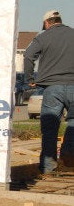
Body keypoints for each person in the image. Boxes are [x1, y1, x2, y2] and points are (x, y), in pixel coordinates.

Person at [23, 10, 74, 176]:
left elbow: (28, 55)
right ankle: (68, 155)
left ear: (47, 23)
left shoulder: (43, 37)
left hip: (52, 88)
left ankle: (48, 168)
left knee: (50, 128)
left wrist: (30, 77)